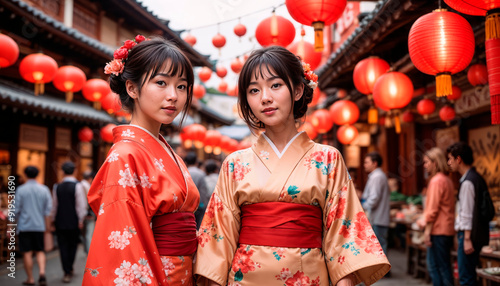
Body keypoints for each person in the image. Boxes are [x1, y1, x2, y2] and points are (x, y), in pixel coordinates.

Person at [194, 46, 390, 286]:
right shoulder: (234, 164)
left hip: (309, 278)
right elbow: (218, 237)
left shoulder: (328, 159)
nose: (265, 97)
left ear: (297, 90)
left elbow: (343, 233)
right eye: (254, 90)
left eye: (275, 85)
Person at [83, 36, 200, 286]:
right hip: (158, 274)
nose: (174, 96)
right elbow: (124, 245)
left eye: (181, 86)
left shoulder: (168, 151)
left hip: (185, 273)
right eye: (161, 83)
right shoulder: (125, 155)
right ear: (132, 88)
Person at [447, 142, 492, 286]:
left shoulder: (467, 182)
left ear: (458, 159)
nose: (449, 163)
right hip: (477, 234)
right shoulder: (476, 177)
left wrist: (466, 238)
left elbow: (467, 212)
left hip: (469, 236)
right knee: (469, 274)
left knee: (466, 277)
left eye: (450, 159)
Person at [421, 148, 455, 286]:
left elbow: (432, 210)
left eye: (426, 162)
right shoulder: (446, 179)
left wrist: (427, 231)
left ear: (435, 163)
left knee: (436, 267)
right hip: (445, 228)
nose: (425, 165)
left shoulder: (436, 181)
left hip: (438, 230)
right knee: (444, 266)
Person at [14, 166, 52, 286]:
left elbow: (15, 209)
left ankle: (30, 278)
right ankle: (42, 273)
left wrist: (11, 225)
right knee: (40, 251)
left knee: (27, 252)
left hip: (25, 225)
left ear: (25, 175)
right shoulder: (44, 189)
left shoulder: (21, 190)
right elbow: (48, 210)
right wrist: (48, 227)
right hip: (39, 225)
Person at [50, 161, 87, 283]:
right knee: (73, 245)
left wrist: (52, 219)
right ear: (74, 171)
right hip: (74, 221)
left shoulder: (57, 186)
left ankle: (66, 270)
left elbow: (54, 206)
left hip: (60, 220)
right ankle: (69, 268)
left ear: (62, 172)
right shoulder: (78, 186)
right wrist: (81, 219)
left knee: (63, 246)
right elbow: (80, 205)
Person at [361, 152, 391, 259]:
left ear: (375, 163)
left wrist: (361, 207)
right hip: (377, 217)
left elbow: (374, 198)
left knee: (379, 246)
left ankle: (383, 271)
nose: (364, 164)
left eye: (366, 162)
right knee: (379, 244)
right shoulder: (376, 176)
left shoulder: (377, 177)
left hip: (378, 218)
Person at [185, 151, 209, 229]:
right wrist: (205, 205)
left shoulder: (184, 171)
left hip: (186, 205)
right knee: (198, 226)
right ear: (196, 162)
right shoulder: (201, 173)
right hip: (199, 205)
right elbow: (203, 191)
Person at [80, 171, 95, 254]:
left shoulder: (79, 185)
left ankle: (86, 250)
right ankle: (89, 252)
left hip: (81, 213)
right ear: (90, 179)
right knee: (89, 233)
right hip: (88, 212)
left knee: (84, 233)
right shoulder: (87, 186)